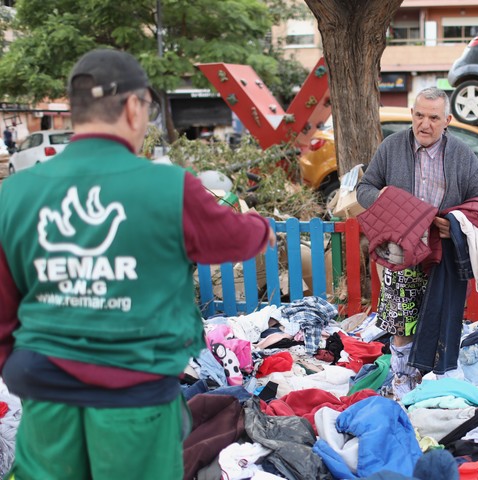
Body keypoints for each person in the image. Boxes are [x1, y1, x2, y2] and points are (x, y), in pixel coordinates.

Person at [0, 48, 275, 480]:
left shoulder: (14, 195)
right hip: (135, 403)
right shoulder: (167, 188)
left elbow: (2, 316)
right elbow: (239, 237)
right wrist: (261, 227)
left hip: (47, 405)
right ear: (132, 106)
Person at [356, 87, 478, 399]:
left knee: (441, 315)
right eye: (419, 115)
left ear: (448, 120)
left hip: (442, 253)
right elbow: (365, 188)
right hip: (399, 249)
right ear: (412, 115)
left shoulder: (461, 155)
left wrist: (456, 222)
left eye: (433, 118)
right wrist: (385, 199)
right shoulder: (392, 147)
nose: (425, 124)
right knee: (402, 319)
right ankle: (401, 377)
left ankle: (434, 376)